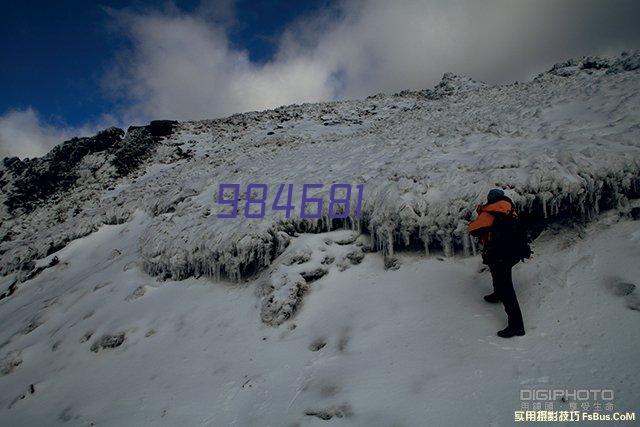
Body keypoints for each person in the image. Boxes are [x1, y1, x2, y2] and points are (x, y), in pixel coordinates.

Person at [468, 189, 525, 338]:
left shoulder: (490, 212)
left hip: (499, 254)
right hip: (512, 252)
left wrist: (477, 218)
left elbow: (473, 230)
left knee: (507, 289)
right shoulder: (510, 209)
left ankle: (516, 326)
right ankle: (497, 294)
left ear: (490, 199)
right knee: (498, 274)